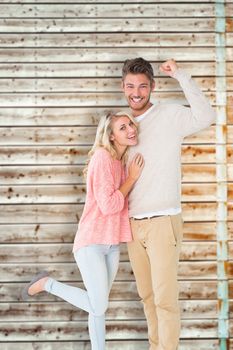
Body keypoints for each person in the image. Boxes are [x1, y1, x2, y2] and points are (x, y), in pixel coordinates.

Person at [21, 111, 144, 350]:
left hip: (112, 244)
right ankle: (47, 284)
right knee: (99, 305)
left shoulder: (121, 161)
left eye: (130, 124)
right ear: (110, 136)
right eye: (122, 127)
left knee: (97, 306)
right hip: (91, 244)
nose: (131, 129)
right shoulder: (102, 158)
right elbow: (109, 205)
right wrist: (132, 179)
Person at [121, 58, 216, 350]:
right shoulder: (125, 126)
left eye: (142, 86)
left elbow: (205, 117)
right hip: (134, 226)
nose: (136, 92)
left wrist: (181, 75)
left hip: (163, 222)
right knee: (148, 298)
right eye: (130, 86)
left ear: (152, 87)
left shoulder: (169, 115)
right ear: (123, 87)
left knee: (164, 300)